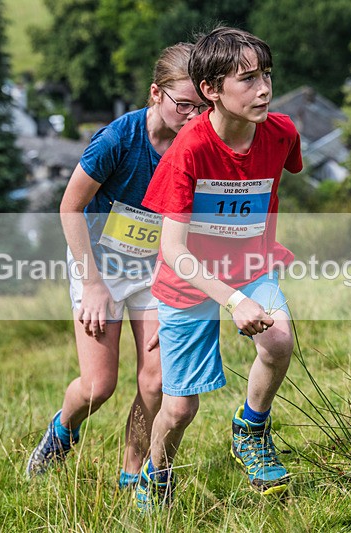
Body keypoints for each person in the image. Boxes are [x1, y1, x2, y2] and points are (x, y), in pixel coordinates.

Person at [135, 26, 303, 510]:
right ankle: (157, 474)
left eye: (266, 74)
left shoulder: (282, 132)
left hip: (251, 264)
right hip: (188, 283)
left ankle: (250, 429)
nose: (264, 88)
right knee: (180, 407)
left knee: (278, 340)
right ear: (210, 90)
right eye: (247, 79)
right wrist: (232, 299)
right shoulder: (189, 150)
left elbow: (276, 176)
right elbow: (173, 249)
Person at [26, 43, 208, 488]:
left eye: (201, 107)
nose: (191, 116)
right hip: (99, 267)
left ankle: (132, 473)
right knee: (98, 387)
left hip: (155, 271)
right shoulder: (117, 140)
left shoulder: (199, 145)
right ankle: (62, 430)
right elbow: (70, 207)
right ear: (155, 94)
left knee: (157, 381)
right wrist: (91, 284)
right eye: (183, 105)